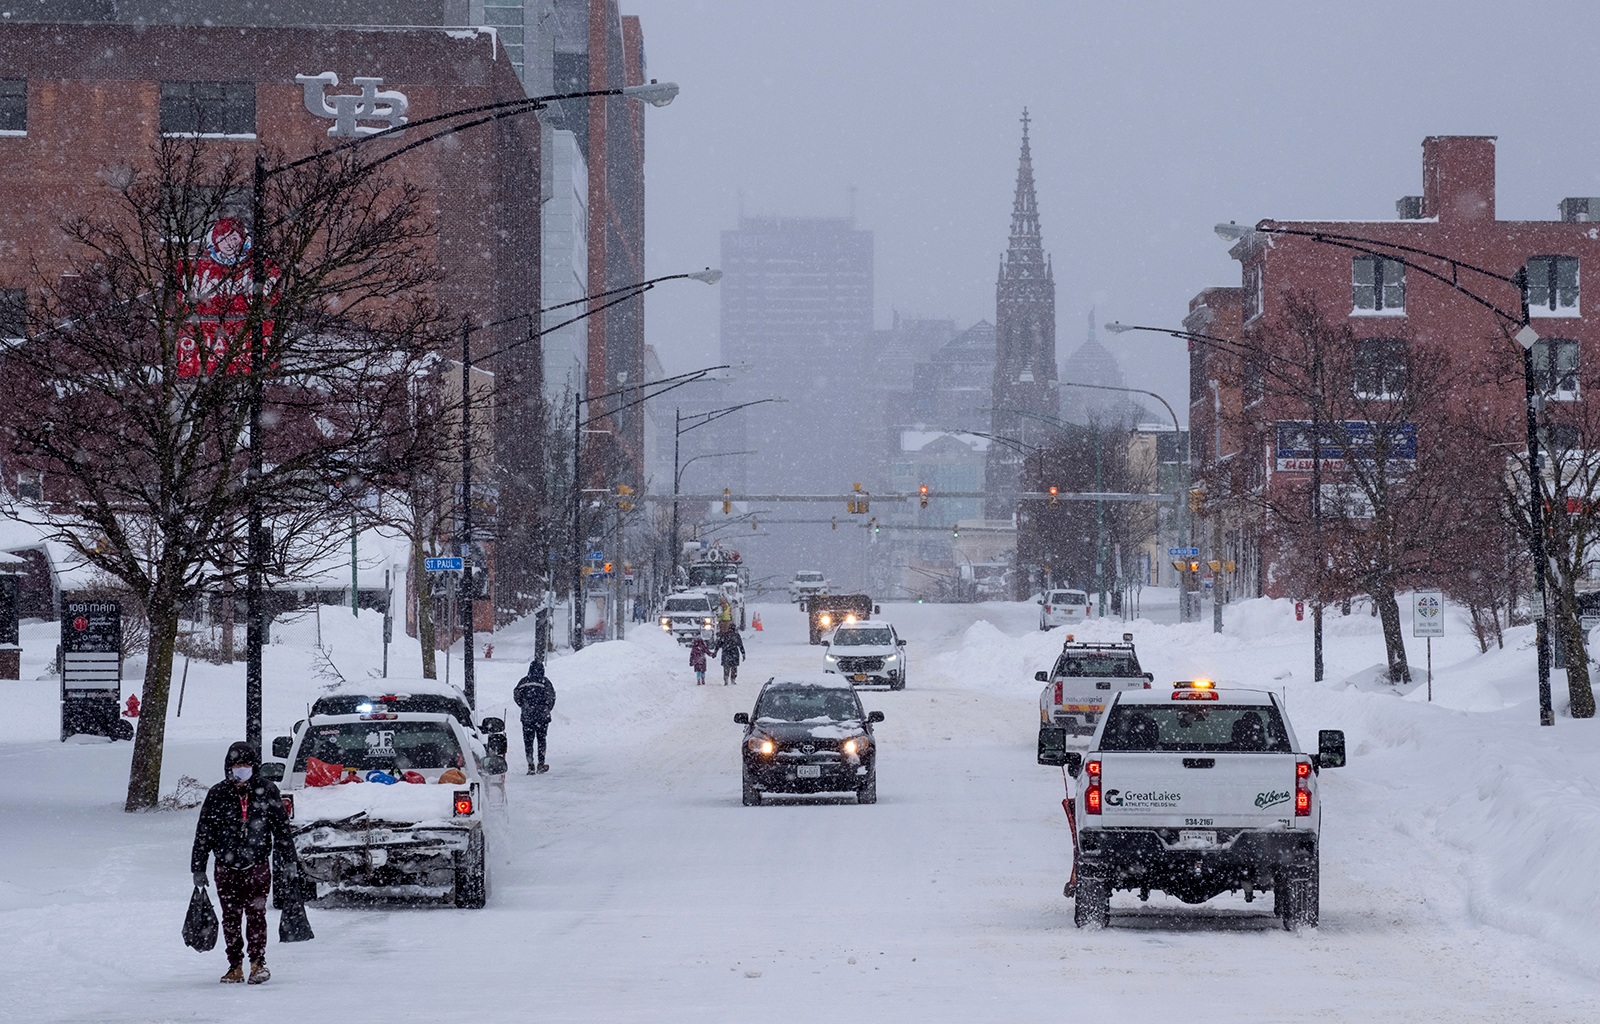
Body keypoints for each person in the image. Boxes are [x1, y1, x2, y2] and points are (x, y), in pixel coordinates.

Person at [190, 741, 296, 985]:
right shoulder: (217, 793)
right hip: (226, 868)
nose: (241, 768)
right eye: (237, 764)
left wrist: (290, 860)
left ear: (254, 766)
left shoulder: (267, 790)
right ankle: (234, 965)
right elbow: (204, 831)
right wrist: (198, 866)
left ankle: (257, 963)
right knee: (231, 916)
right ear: (229, 766)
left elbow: (281, 828)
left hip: (257, 865)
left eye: (246, 764)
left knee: (256, 914)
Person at [513, 660, 557, 773]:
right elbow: (551, 697)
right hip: (542, 717)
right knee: (541, 740)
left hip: (527, 717)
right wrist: (546, 708)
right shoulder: (545, 682)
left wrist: (524, 706)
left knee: (528, 741)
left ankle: (530, 764)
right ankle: (541, 764)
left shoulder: (524, 681)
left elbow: (516, 694)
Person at [714, 621, 746, 686]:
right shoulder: (736, 636)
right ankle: (733, 680)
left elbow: (718, 644)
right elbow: (740, 645)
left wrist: (715, 652)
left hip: (726, 653)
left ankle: (726, 680)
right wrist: (743, 654)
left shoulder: (724, 635)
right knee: (734, 668)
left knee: (726, 668)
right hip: (734, 654)